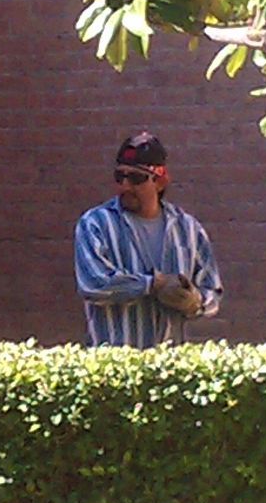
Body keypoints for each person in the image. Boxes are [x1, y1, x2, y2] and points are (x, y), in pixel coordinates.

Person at [74, 131, 222, 348]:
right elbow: (94, 283)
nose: (125, 186)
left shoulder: (188, 229)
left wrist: (194, 301)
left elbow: (212, 291)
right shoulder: (95, 224)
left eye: (136, 178)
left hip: (170, 369)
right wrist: (153, 284)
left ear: (160, 181)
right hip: (113, 368)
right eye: (119, 177)